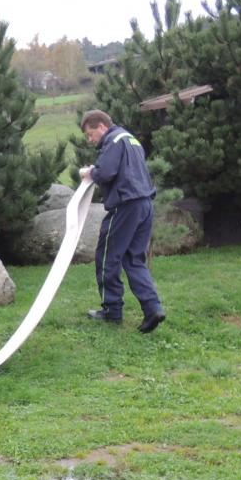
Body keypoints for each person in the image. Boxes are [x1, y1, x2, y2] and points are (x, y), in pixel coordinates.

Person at [79, 110, 167, 333]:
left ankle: (112, 311)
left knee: (107, 257)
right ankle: (153, 308)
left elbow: (106, 173)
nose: (90, 140)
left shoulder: (113, 140)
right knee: (134, 259)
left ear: (101, 126)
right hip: (145, 204)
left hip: (125, 206)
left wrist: (90, 172)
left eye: (90, 134)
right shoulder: (130, 139)